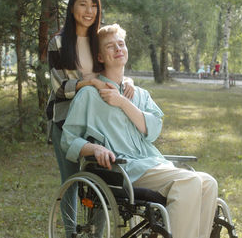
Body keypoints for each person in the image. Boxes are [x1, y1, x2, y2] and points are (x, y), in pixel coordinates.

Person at [61, 24, 218, 238]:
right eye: (110, 46)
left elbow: (152, 131)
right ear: (100, 57)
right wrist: (94, 148)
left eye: (121, 44)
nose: (118, 49)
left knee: (208, 182)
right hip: (125, 169)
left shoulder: (140, 94)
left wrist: (123, 103)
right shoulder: (89, 95)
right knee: (189, 181)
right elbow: (68, 140)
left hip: (153, 163)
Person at [46, 0, 134, 237]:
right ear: (72, 8)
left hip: (97, 119)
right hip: (65, 119)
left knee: (101, 180)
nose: (89, 11)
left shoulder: (99, 40)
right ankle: (71, 233)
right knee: (71, 183)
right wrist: (91, 82)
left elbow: (115, 64)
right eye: (83, 4)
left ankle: (96, 233)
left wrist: (128, 82)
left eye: (93, 5)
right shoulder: (59, 42)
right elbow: (60, 87)